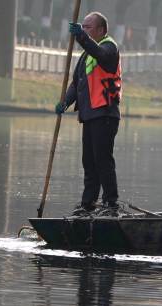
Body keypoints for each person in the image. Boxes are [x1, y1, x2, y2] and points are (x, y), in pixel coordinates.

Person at [56, 11, 122, 217]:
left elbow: (101, 56)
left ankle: (111, 204)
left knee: (103, 159)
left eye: (88, 27)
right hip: (90, 115)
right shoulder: (86, 55)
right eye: (82, 27)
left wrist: (81, 38)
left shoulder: (109, 48)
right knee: (89, 162)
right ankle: (88, 204)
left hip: (105, 114)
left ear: (101, 30)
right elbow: (77, 83)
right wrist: (65, 102)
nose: (83, 30)